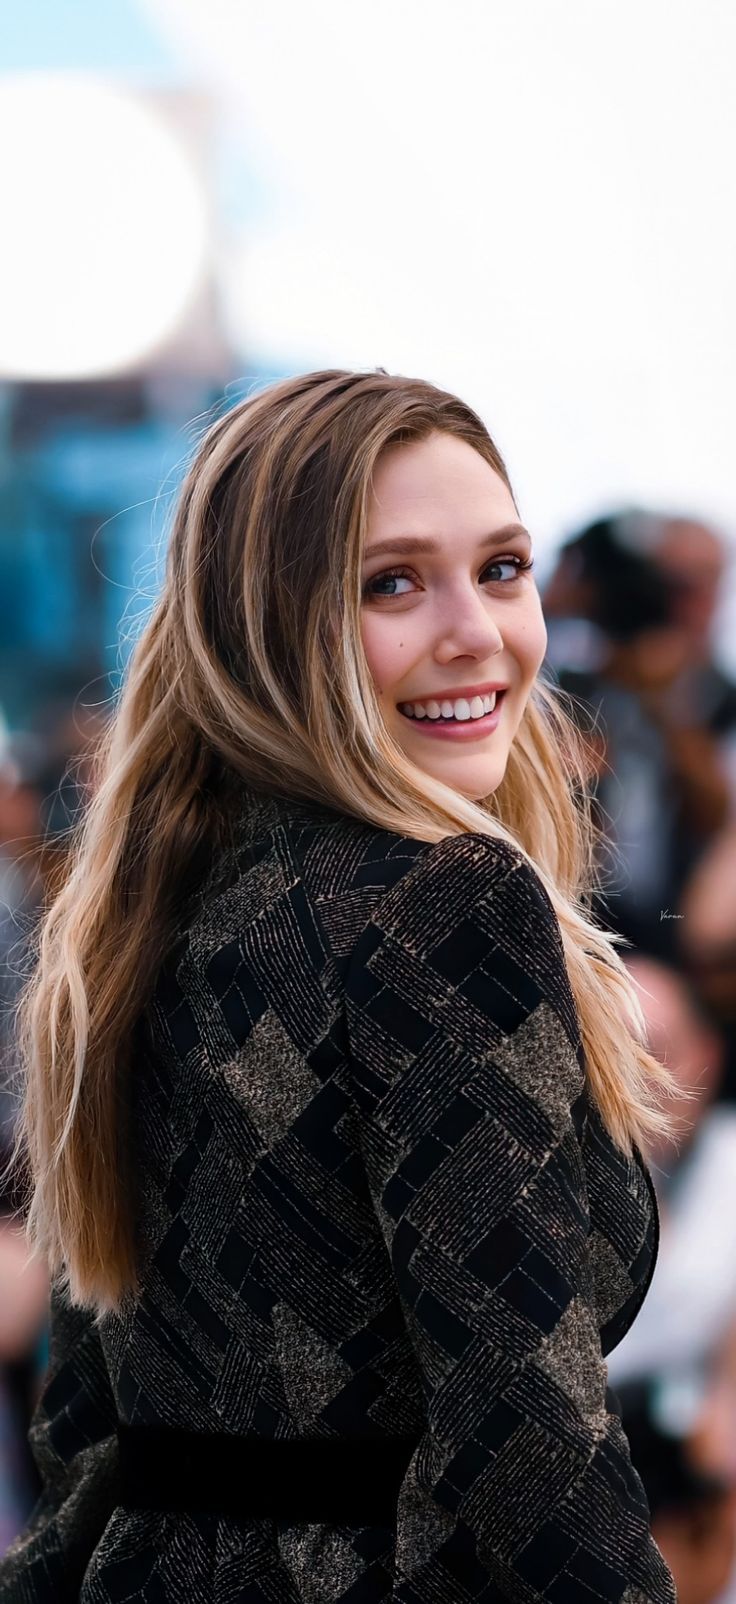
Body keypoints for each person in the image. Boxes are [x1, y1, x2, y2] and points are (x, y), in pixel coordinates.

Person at [0, 369, 676, 1602]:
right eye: (393, 581)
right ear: (268, 617)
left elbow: (85, 1437)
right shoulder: (442, 904)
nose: (477, 631)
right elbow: (530, 1467)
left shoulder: (151, 905)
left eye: (503, 568)